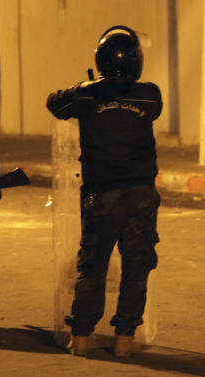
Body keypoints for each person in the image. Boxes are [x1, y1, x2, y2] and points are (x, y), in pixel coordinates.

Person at [46, 26, 162, 358]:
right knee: (136, 268)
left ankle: (80, 337)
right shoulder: (149, 95)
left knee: (92, 267)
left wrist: (90, 86)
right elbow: (144, 104)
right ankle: (124, 338)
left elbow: (55, 102)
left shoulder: (85, 96)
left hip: (101, 197)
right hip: (140, 195)